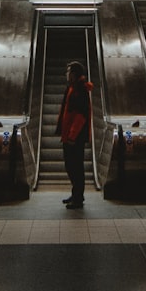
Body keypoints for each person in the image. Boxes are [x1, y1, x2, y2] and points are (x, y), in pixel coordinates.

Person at [57, 60, 93, 209]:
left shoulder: (80, 90)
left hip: (75, 137)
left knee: (75, 166)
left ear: (75, 74)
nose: (67, 74)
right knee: (70, 165)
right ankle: (76, 193)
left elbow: (81, 115)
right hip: (69, 135)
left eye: (69, 72)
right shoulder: (72, 88)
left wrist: (72, 136)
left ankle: (78, 198)